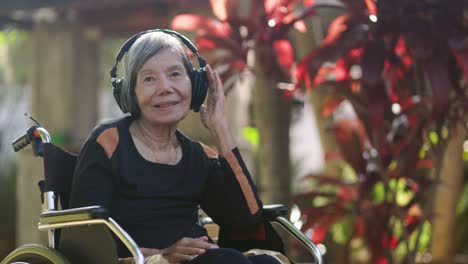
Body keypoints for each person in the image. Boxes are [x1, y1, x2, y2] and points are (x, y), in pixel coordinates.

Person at [69, 30, 284, 264]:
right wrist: (161, 255)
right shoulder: (108, 142)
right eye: (149, 79)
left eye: (175, 74)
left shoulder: (198, 155)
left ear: (196, 85)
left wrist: (220, 127)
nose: (165, 88)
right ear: (130, 91)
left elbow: (247, 219)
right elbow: (86, 237)